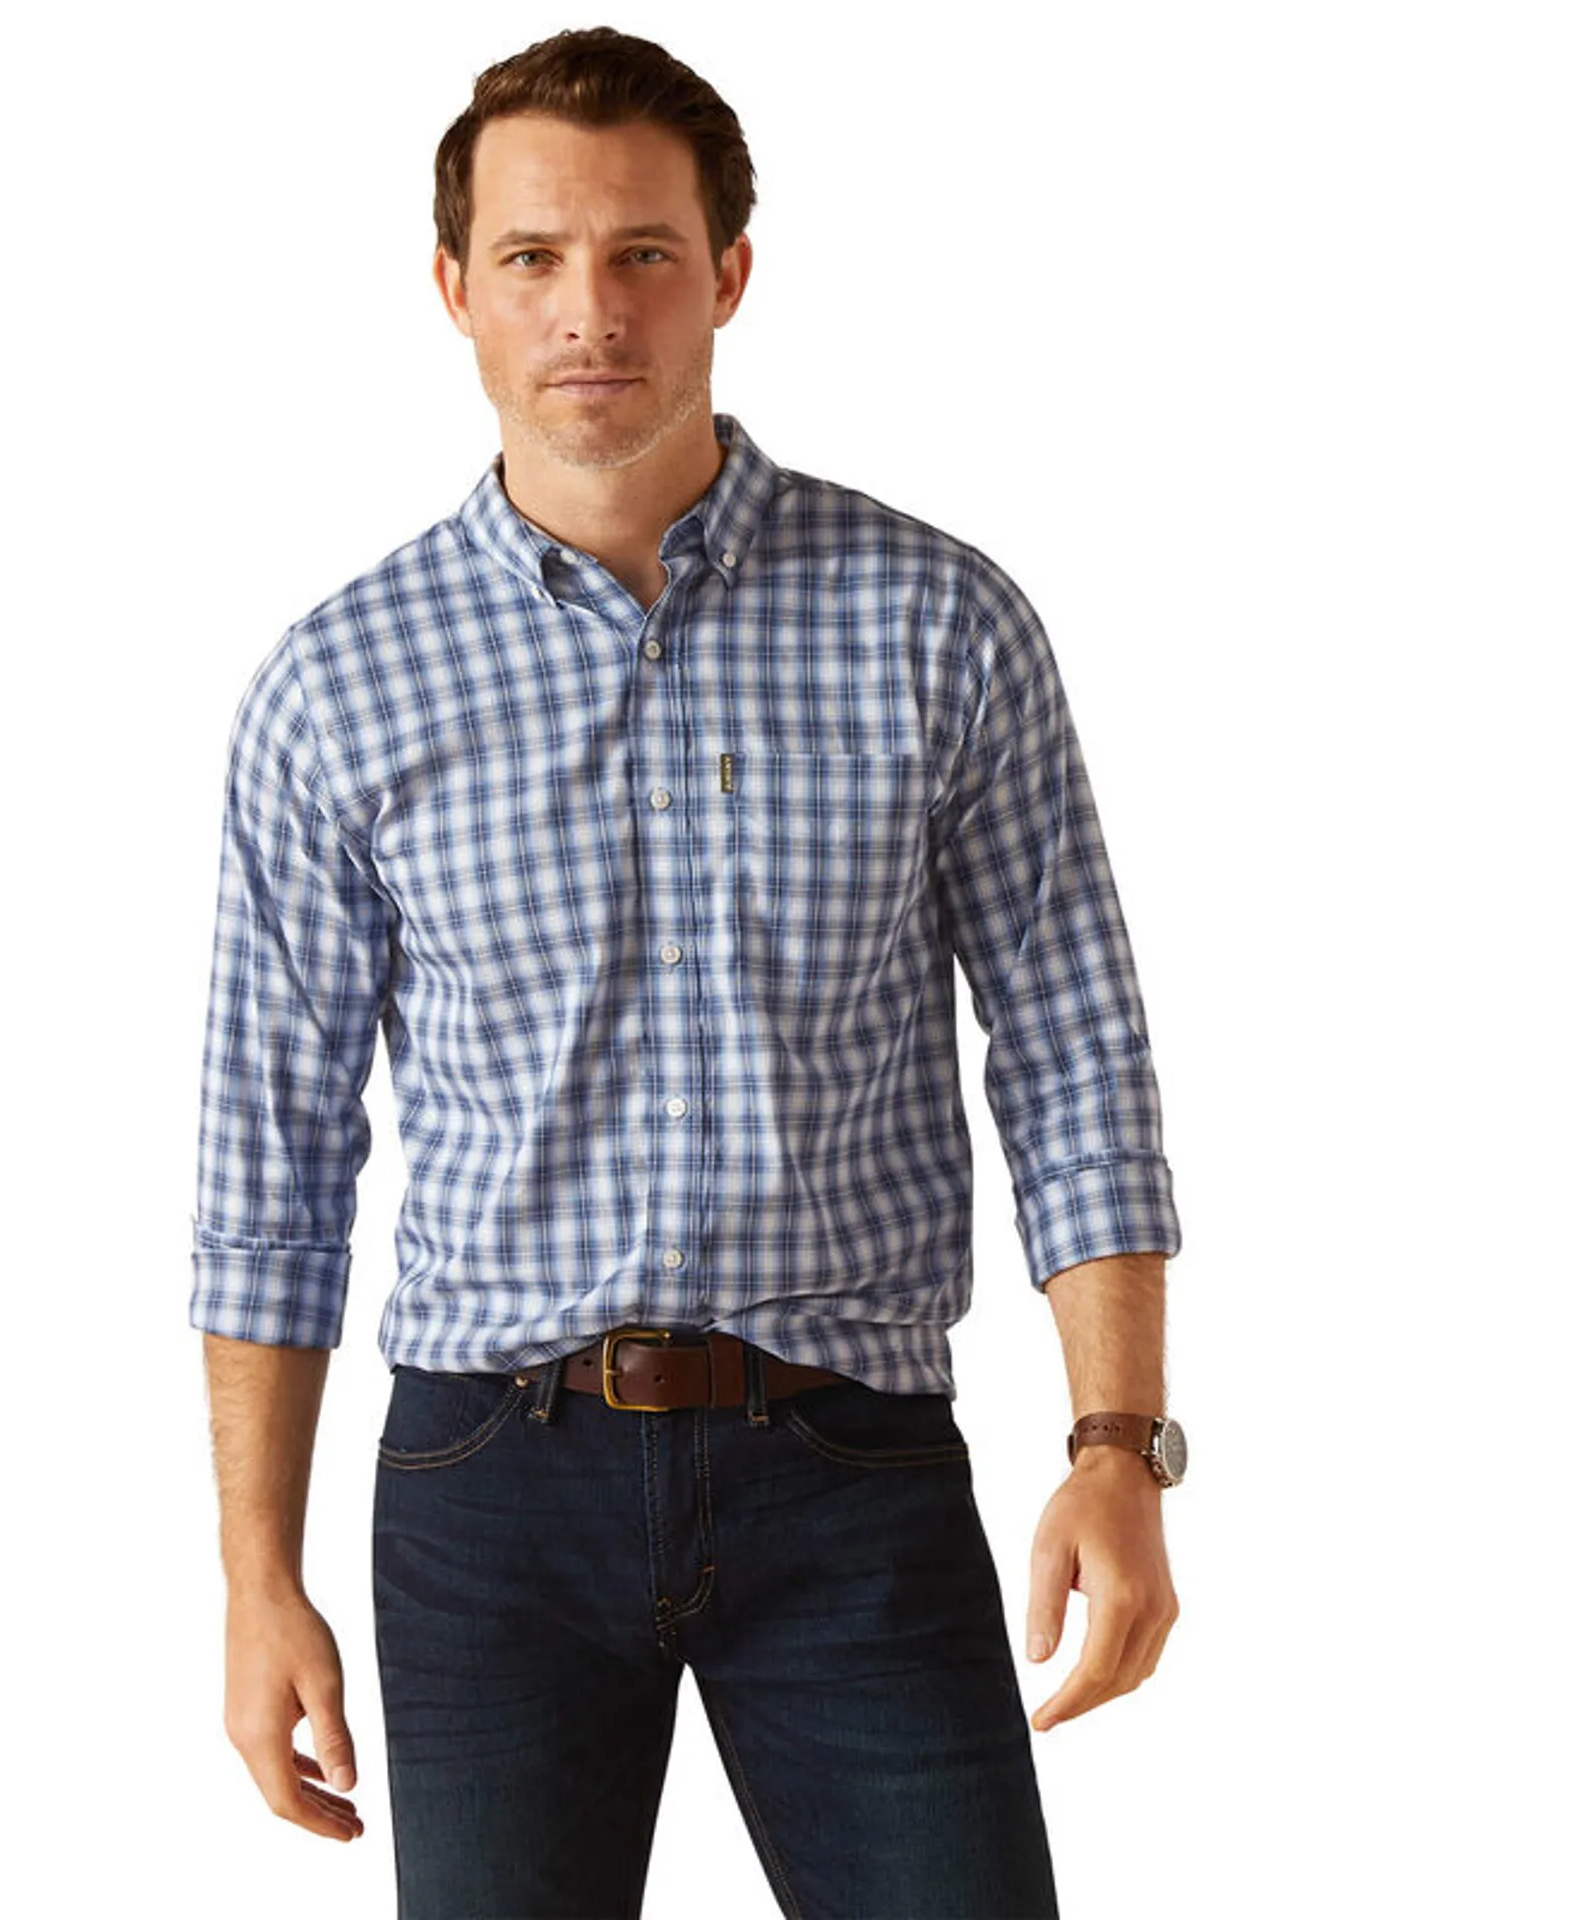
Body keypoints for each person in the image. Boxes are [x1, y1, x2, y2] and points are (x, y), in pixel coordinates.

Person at [189, 26, 1185, 1919]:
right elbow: (273, 1163)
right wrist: (257, 1580)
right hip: (488, 1488)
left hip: (853, 1463)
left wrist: (1118, 1447)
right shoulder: (337, 687)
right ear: (454, 289)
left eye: (643, 251)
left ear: (727, 273)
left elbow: (1072, 1052)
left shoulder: (938, 623)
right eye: (534, 257)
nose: (591, 310)